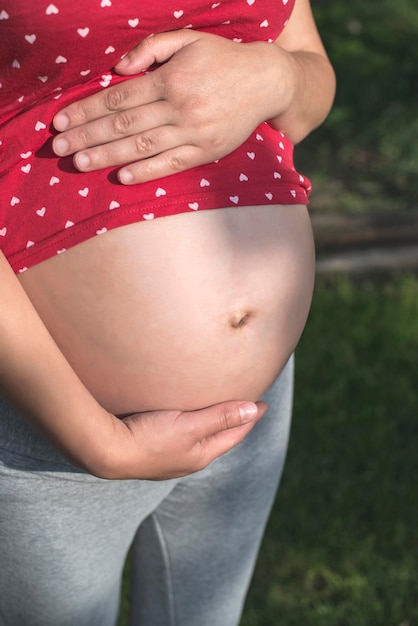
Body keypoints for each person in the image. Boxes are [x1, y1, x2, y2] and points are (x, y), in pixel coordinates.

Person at [0, 0, 335, 624]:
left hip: (252, 412)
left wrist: (276, 76)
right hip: (51, 412)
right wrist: (99, 443)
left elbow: (311, 74)